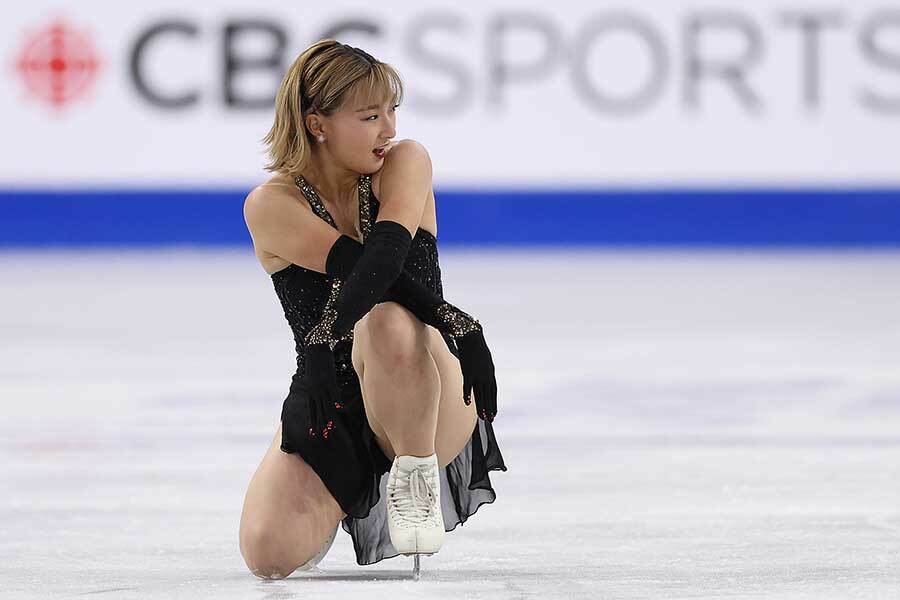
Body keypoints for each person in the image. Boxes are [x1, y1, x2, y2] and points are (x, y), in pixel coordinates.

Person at [237, 39, 507, 580]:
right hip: (331, 395)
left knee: (385, 318)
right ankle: (335, 494)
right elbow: (352, 264)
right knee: (266, 554)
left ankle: (414, 478)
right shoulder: (271, 204)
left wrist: (455, 326)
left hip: (425, 386)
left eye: (392, 111)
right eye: (369, 115)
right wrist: (321, 349)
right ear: (318, 124)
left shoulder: (405, 161)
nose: (389, 128)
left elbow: (383, 264)